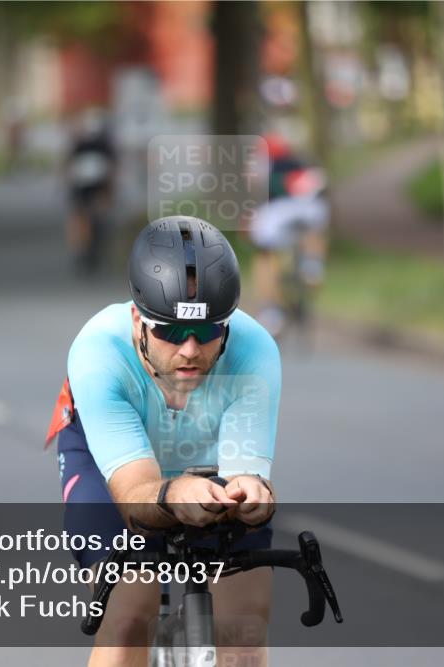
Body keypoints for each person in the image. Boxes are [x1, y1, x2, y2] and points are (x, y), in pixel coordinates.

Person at [45, 216, 282, 666]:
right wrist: (174, 494)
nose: (190, 348)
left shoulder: (256, 350)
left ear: (227, 325)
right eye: (170, 331)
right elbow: (135, 495)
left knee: (245, 633)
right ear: (138, 318)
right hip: (112, 468)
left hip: (206, 466)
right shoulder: (98, 351)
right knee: (130, 615)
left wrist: (252, 495)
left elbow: (246, 472)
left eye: (208, 330)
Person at [248, 134, 329, 337]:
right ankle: (313, 265)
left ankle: (272, 309)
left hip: (276, 215)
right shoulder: (303, 165)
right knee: (315, 225)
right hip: (308, 210)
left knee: (264, 254)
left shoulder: (259, 164)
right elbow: (319, 189)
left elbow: (254, 192)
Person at [64, 108, 116, 273]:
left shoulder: (83, 144)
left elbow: (68, 167)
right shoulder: (98, 144)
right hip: (87, 187)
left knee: (84, 217)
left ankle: (83, 248)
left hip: (90, 187)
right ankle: (82, 249)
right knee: (82, 218)